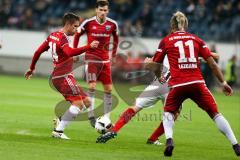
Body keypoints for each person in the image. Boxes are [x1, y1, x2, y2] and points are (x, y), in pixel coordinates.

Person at [151, 11, 239, 157]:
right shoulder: (196, 39)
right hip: (197, 83)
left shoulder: (166, 40)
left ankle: (169, 141)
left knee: (168, 112)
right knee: (216, 114)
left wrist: (159, 76)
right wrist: (223, 82)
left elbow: (155, 64)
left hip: (178, 85)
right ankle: (236, 144)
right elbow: (213, 65)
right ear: (185, 24)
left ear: (171, 26)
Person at [96, 53, 219, 144]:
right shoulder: (187, 52)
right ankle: (153, 138)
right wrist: (211, 55)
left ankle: (115, 129)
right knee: (173, 114)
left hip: (157, 83)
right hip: (171, 87)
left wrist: (148, 62)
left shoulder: (166, 49)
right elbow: (202, 57)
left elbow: (149, 64)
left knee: (135, 107)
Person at [24, 12, 99, 139]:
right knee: (79, 104)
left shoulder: (53, 35)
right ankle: (58, 131)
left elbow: (38, 51)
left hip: (61, 76)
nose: (77, 29)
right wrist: (88, 47)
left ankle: (95, 123)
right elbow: (69, 52)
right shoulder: (63, 37)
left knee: (86, 101)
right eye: (75, 26)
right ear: (68, 25)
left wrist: (32, 68)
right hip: (62, 76)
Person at [73, 0, 119, 127]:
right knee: (92, 87)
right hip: (92, 60)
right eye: (101, 10)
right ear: (96, 10)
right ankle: (91, 115)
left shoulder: (112, 24)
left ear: (108, 11)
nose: (103, 12)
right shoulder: (88, 23)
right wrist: (76, 52)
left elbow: (116, 38)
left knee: (108, 89)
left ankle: (106, 118)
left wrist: (113, 55)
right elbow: (77, 35)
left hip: (105, 61)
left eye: (105, 10)